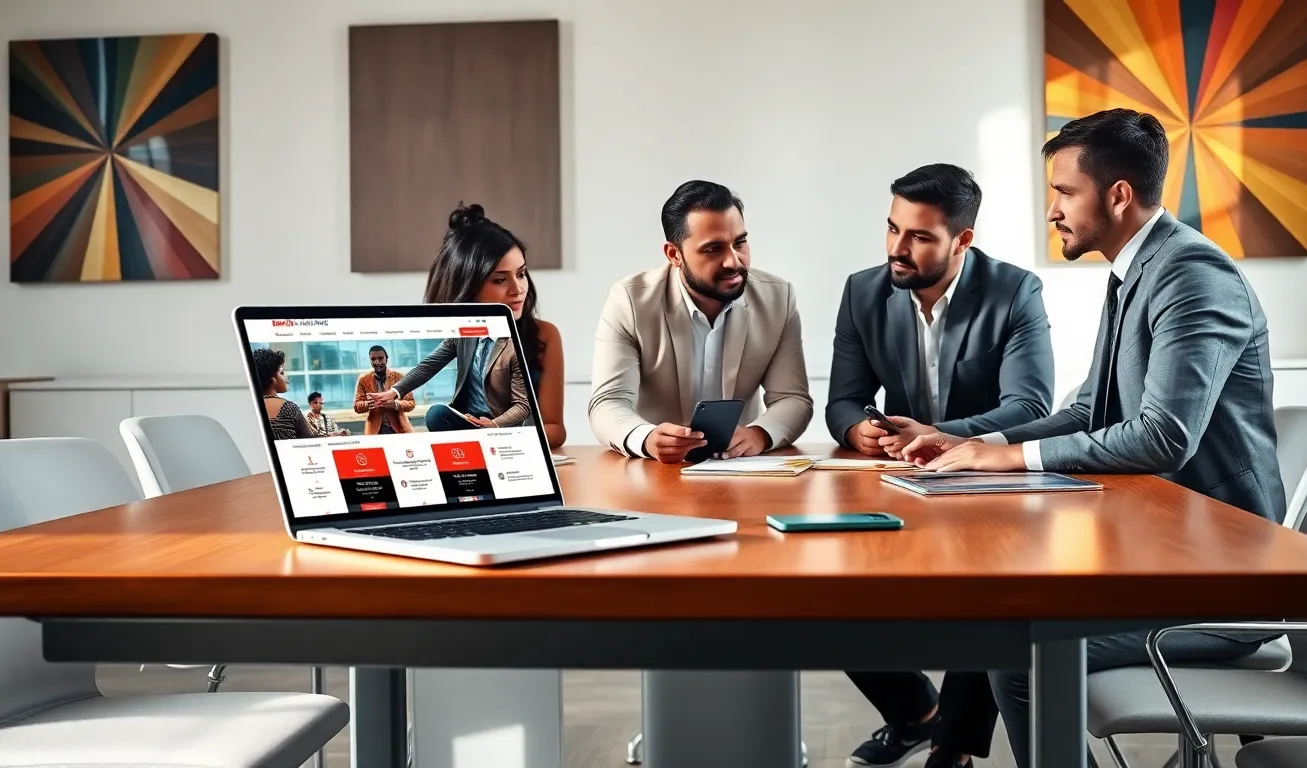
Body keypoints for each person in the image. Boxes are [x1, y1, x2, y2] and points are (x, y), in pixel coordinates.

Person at [894, 109, 1286, 768]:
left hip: (1223, 586)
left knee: (1015, 654)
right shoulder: (1137, 271)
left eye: (1064, 192)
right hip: (1164, 556)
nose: (1052, 210)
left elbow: (1164, 436)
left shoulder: (1191, 275)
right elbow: (1087, 412)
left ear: (1119, 195)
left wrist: (1007, 457)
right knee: (1007, 615)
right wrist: (964, 442)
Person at [829, 164, 1054, 768]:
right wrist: (861, 430)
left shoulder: (1015, 291)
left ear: (963, 240)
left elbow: (1030, 406)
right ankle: (915, 714)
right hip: (895, 479)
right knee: (830, 590)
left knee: (991, 594)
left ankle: (950, 750)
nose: (897, 249)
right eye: (892, 228)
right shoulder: (862, 290)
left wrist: (941, 437)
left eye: (920, 237)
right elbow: (843, 401)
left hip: (989, 484)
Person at [588, 180, 812, 462]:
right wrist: (645, 438)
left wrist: (759, 434)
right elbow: (608, 402)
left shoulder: (778, 298)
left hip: (740, 469)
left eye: (739, 243)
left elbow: (793, 398)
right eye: (712, 249)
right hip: (655, 471)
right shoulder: (629, 302)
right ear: (674, 255)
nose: (734, 261)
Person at [365, 204, 546, 438]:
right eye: (500, 279)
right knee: (435, 414)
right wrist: (396, 392)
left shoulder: (513, 344)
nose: (518, 289)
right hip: (465, 417)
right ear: (469, 287)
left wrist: (494, 426)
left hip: (497, 425)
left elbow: (523, 405)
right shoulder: (463, 334)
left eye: (521, 274)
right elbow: (428, 365)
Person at [253, 348, 313, 441]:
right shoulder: (288, 408)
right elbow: (309, 440)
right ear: (273, 380)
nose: (286, 377)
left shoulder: (249, 408)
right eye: (282, 373)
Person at [354, 345, 416, 434]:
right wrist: (368, 404)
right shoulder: (364, 379)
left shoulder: (399, 377)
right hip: (374, 431)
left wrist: (395, 405)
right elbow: (357, 406)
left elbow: (411, 403)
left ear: (386, 358)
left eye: (380, 358)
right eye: (373, 359)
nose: (377, 362)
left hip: (399, 428)